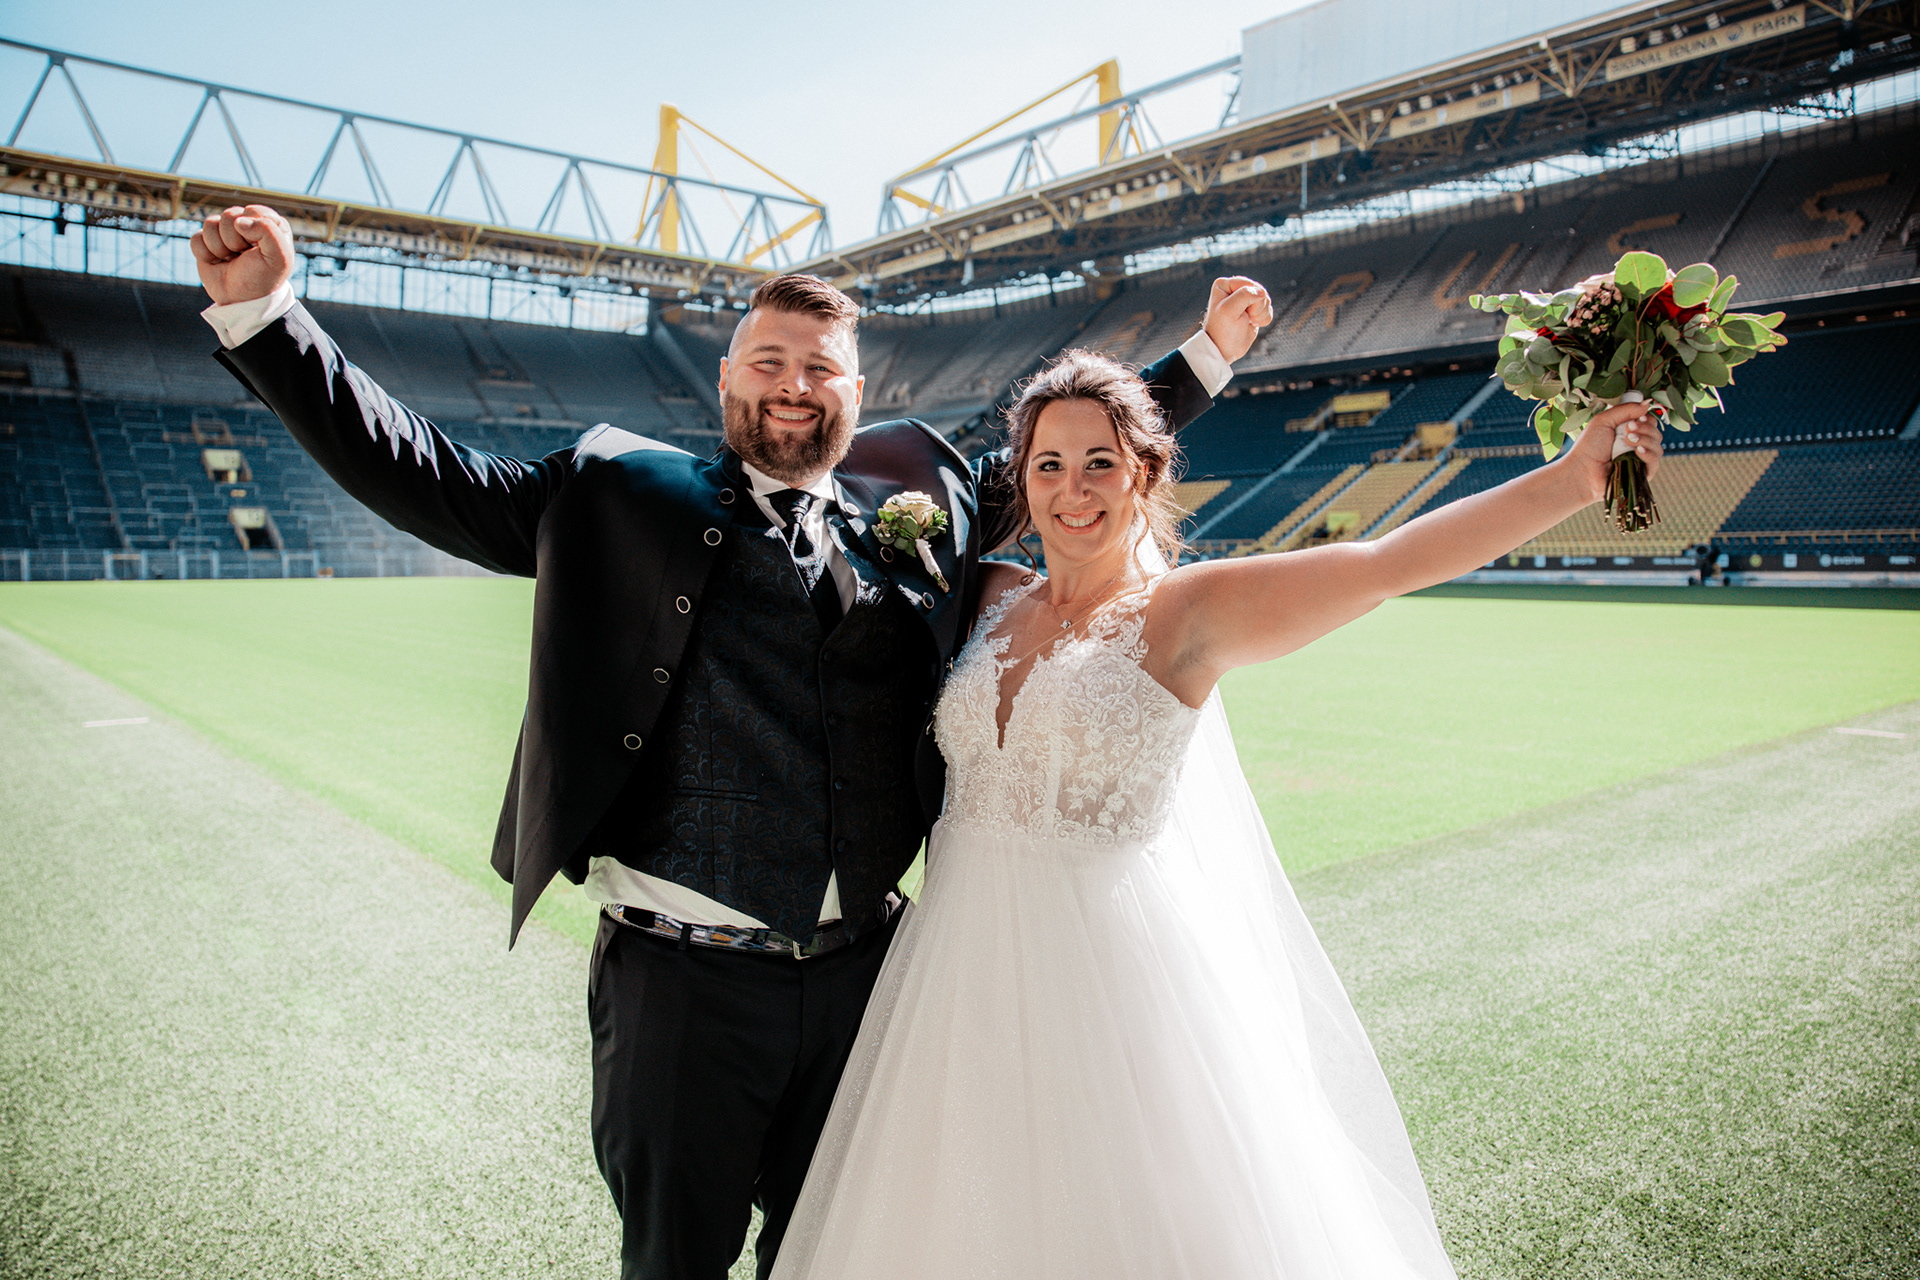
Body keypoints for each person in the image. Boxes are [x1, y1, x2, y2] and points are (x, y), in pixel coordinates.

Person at [187, 203, 1275, 1280]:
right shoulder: (613, 489)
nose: (795, 384)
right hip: (681, 989)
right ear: (727, 380)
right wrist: (271, 318)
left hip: (869, 985)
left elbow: (1076, 450)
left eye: (821, 367)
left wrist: (1209, 357)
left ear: (858, 390)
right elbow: (427, 471)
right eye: (771, 360)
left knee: (842, 1254)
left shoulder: (920, 491)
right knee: (675, 1262)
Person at [768, 349, 1665, 1279]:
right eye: (1049, 466)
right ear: (1021, 481)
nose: (1073, 491)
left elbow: (1386, 564)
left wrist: (1573, 477)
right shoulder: (990, 598)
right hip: (951, 982)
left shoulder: (1187, 613)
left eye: (1100, 464)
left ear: (1146, 473)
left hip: (1111, 993)